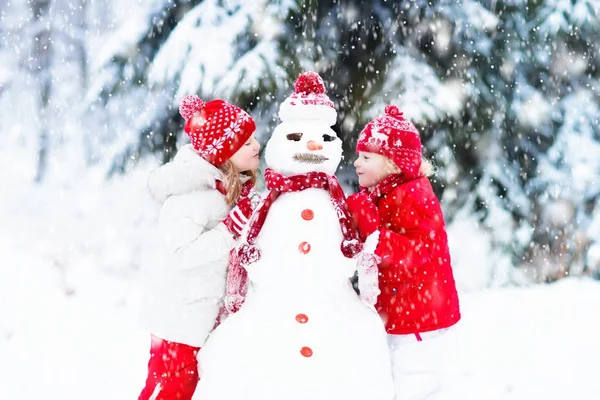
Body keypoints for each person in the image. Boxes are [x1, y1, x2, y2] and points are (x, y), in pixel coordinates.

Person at [137, 95, 261, 400]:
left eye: (254, 138)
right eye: (246, 144)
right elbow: (180, 254)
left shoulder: (224, 192)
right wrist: (230, 229)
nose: (257, 145)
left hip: (202, 317)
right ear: (224, 154)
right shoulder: (191, 195)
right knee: (168, 392)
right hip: (180, 322)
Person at [348, 104, 461, 399]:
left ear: (393, 164)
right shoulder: (383, 193)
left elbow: (421, 250)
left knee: (416, 379)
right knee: (396, 379)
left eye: (366, 157)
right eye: (359, 155)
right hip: (403, 310)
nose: (357, 163)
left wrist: (375, 234)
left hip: (418, 315)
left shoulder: (413, 195)